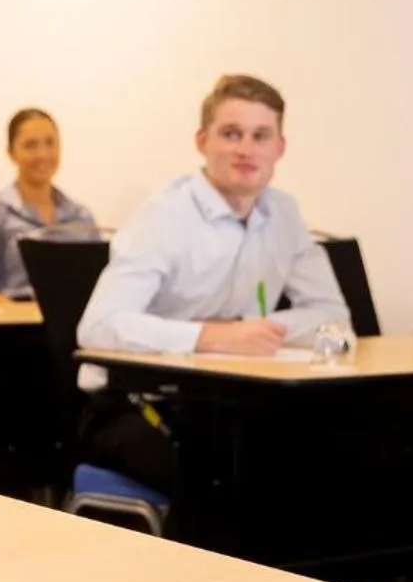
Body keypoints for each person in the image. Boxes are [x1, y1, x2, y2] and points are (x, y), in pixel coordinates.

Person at [73, 73, 349, 496]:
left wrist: (254, 331)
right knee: (227, 481)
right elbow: (98, 327)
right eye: (231, 133)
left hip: (231, 402)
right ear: (202, 141)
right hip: (134, 407)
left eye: (261, 136)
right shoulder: (164, 215)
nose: (245, 149)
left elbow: (332, 317)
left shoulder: (284, 214)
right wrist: (211, 337)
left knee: (326, 460)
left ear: (280, 147)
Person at [0, 108, 96, 302]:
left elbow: (101, 284)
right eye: (30, 145)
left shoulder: (81, 216)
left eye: (50, 143)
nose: (42, 154)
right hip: (15, 326)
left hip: (74, 326)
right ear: (11, 153)